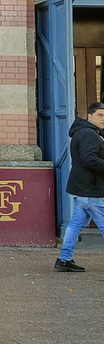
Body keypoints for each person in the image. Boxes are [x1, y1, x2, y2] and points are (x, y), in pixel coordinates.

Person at [54, 101, 104, 272]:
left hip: (83, 188)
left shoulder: (85, 132)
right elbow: (89, 158)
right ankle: (64, 259)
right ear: (89, 116)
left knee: (75, 225)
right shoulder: (89, 134)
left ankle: (63, 259)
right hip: (91, 189)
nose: (103, 119)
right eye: (100, 115)